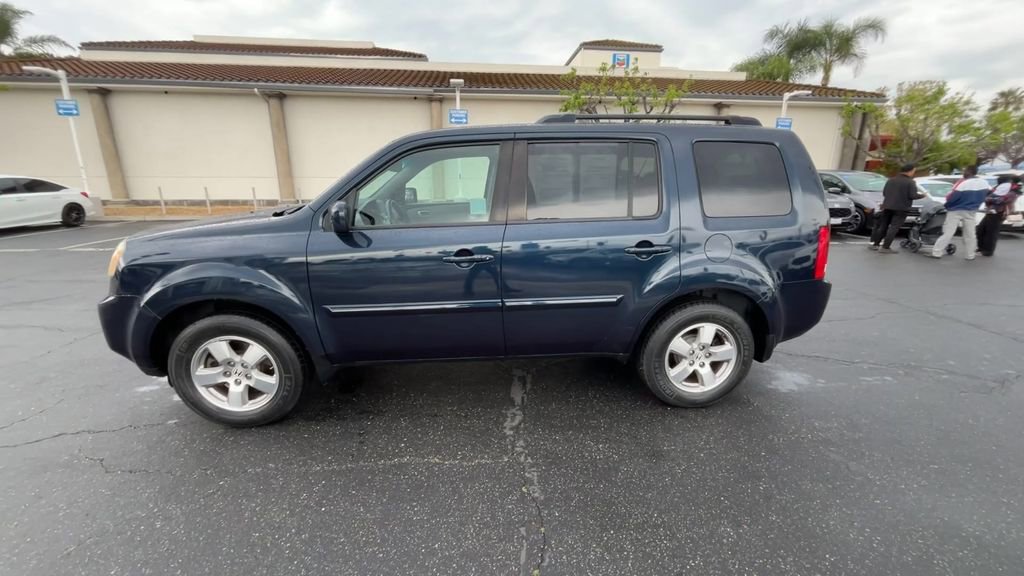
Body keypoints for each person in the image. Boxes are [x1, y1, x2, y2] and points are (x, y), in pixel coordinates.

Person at [930, 165, 990, 260]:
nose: (963, 173)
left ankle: (937, 252)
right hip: (971, 210)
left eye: (965, 171)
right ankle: (970, 255)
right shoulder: (984, 183)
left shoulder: (964, 183)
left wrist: (947, 206)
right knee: (970, 234)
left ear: (969, 171)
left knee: (948, 232)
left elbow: (953, 197)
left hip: (956, 210)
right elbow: (987, 195)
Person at [870, 163, 925, 254]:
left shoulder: (891, 180)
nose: (913, 173)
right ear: (910, 171)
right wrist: (922, 195)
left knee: (883, 225)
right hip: (901, 207)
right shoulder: (910, 182)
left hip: (887, 206)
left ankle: (876, 244)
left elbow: (885, 193)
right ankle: (886, 247)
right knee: (894, 227)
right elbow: (913, 195)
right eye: (913, 171)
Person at [976, 175, 1022, 256]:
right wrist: (989, 198)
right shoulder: (999, 188)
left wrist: (990, 199)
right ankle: (981, 247)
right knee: (981, 230)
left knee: (991, 232)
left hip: (999, 212)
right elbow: (988, 197)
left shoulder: (1013, 191)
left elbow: (1001, 200)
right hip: (990, 211)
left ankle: (988, 251)